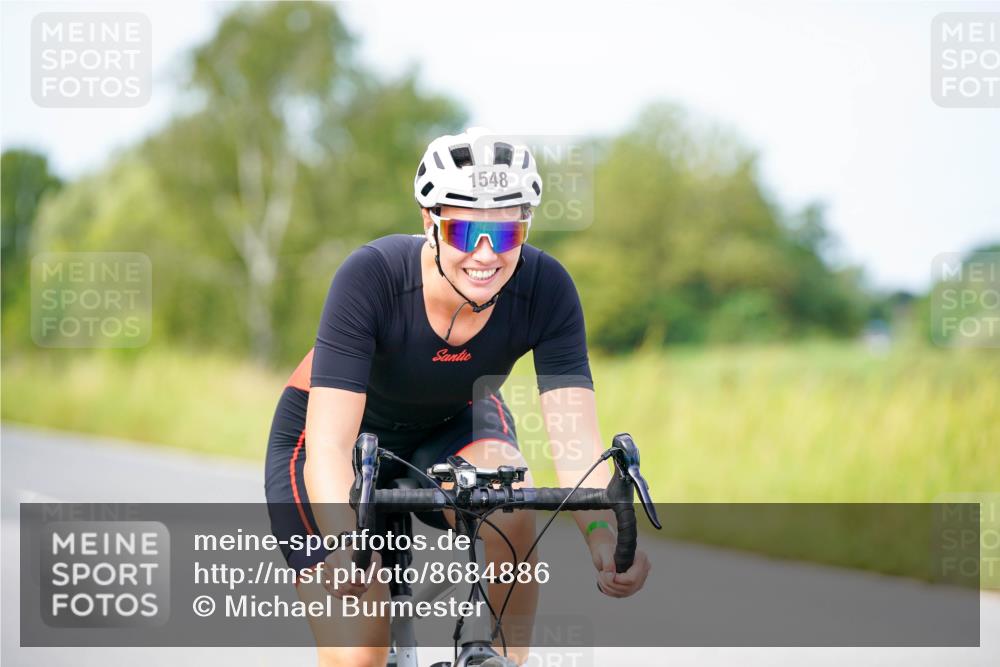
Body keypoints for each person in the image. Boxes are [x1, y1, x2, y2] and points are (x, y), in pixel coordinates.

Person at [264, 128, 651, 667]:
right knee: (359, 654)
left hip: (452, 422)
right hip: (328, 443)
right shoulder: (371, 276)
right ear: (431, 222)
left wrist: (602, 538)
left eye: (507, 233)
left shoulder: (547, 287)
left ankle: (492, 655)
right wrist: (344, 544)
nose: (486, 255)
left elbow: (574, 440)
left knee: (510, 502)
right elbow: (329, 447)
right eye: (466, 231)